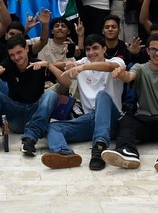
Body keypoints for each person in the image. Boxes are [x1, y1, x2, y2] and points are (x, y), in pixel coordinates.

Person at [102, 34, 158, 173]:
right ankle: (127, 151)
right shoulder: (140, 68)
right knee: (127, 121)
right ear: (148, 51)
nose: (157, 53)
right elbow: (129, 76)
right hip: (144, 119)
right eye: (153, 49)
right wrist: (121, 74)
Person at [41, 34, 125, 170]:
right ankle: (64, 153)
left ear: (104, 49)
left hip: (113, 119)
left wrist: (84, 67)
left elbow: (110, 66)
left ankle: (99, 148)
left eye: (95, 48)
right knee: (53, 127)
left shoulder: (116, 61)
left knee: (102, 96)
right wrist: (51, 65)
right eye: (88, 49)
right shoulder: (81, 63)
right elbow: (65, 79)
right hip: (90, 120)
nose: (91, 53)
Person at [0, 34, 62, 156]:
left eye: (19, 52)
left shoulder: (39, 65)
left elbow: (66, 82)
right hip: (14, 114)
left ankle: (30, 139)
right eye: (12, 55)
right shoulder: (9, 64)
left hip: (34, 114)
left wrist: (48, 65)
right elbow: (1, 67)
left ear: (27, 49)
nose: (16, 57)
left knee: (51, 94)